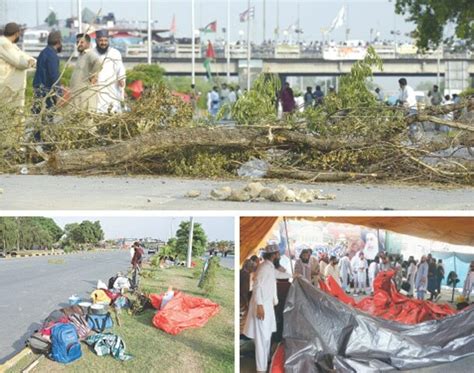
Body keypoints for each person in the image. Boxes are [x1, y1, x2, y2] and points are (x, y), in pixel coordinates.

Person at [243, 244, 279, 373]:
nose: (278, 255)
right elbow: (257, 286)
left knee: (267, 336)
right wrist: (259, 306)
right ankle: (261, 368)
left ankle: (265, 363)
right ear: (274, 254)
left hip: (267, 306)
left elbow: (275, 279)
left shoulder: (269, 267)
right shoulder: (264, 268)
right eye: (277, 253)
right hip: (262, 306)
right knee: (262, 338)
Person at [0, 22, 36, 109]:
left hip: (11, 89)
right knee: (9, 117)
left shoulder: (11, 45)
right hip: (7, 89)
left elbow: (25, 57)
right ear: (17, 33)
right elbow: (20, 62)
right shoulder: (4, 44)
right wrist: (29, 62)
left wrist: (31, 61)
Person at [93, 29, 126, 113]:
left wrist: (121, 78)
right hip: (97, 89)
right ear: (96, 40)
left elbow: (120, 69)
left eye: (105, 40)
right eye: (101, 40)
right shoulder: (91, 54)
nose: (103, 43)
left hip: (112, 89)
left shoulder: (115, 53)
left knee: (113, 112)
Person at [32, 31, 62, 121]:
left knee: (38, 119)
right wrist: (59, 93)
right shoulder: (52, 55)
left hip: (38, 90)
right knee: (48, 120)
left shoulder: (43, 52)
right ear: (58, 42)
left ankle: (37, 135)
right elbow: (54, 75)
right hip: (47, 92)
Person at [69, 33, 101, 112]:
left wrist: (93, 76)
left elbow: (98, 62)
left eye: (81, 42)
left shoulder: (90, 54)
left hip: (86, 96)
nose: (79, 44)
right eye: (77, 42)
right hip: (78, 94)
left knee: (86, 121)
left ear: (88, 43)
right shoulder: (81, 55)